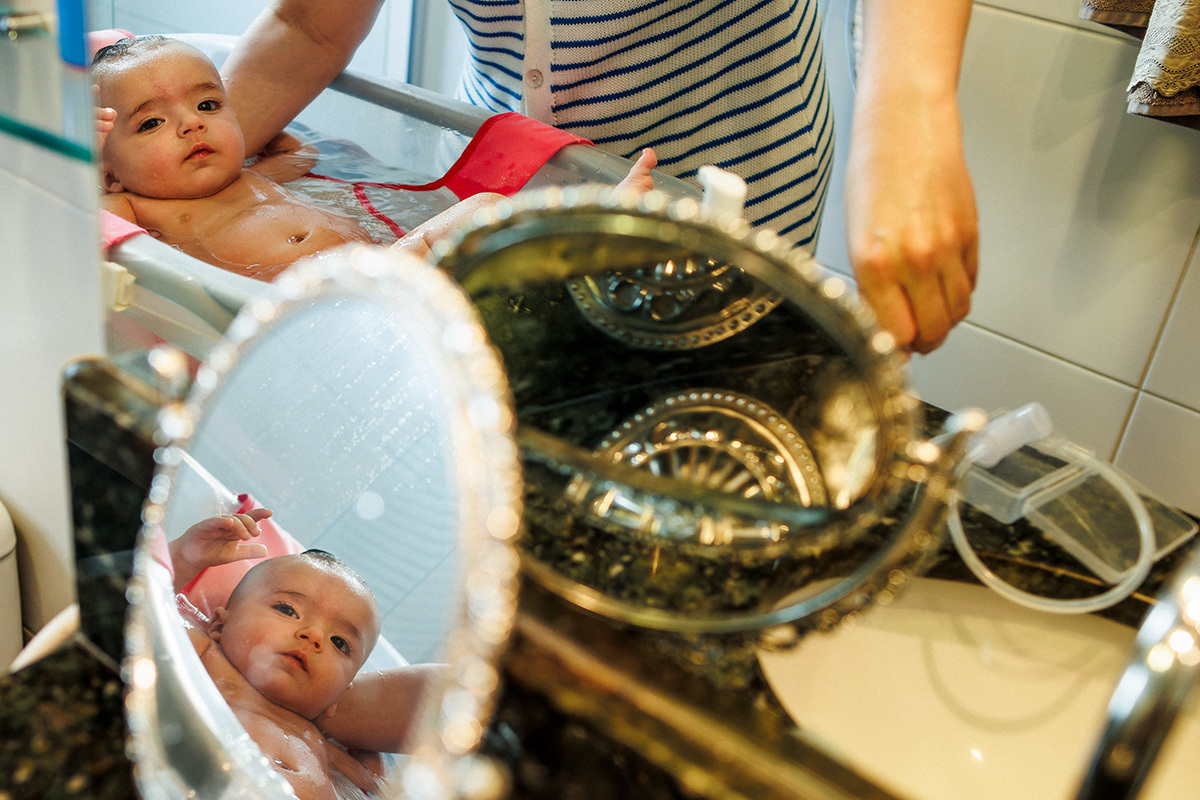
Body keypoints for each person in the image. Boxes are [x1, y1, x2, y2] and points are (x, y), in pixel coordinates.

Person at [217, 0, 977, 354]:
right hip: (511, 174)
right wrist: (173, 158)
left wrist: (910, 107)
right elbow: (310, 24)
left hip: (721, 184)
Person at [92, 34, 657, 278]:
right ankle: (586, 234)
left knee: (486, 212)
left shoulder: (252, 174)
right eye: (151, 123)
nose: (192, 123)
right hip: (316, 296)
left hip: (381, 263)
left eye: (209, 104)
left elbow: (305, 154)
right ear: (112, 165)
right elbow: (85, 225)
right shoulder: (140, 207)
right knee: (476, 218)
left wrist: (272, 145)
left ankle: (586, 226)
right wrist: (84, 165)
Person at [171, 509, 438, 800]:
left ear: (338, 696)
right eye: (287, 609)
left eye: (339, 642)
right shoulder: (202, 650)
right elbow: (142, 607)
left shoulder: (335, 750)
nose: (313, 636)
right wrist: (183, 560)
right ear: (220, 624)